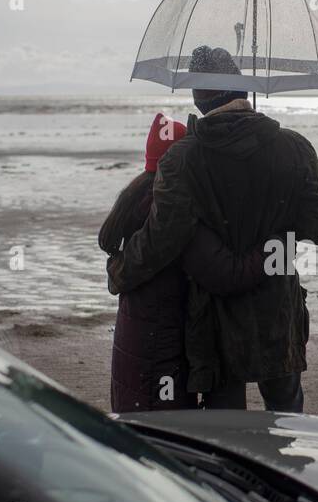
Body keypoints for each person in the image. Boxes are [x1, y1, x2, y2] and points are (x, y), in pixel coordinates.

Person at [106, 46, 318, 412]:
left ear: (198, 98)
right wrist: (275, 240)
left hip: (215, 321)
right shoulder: (295, 148)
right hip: (278, 310)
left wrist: (120, 271)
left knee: (225, 432)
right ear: (243, 89)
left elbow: (161, 239)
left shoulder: (182, 159)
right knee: (290, 420)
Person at [98, 112, 268, 412]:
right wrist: (272, 249)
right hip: (160, 356)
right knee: (166, 442)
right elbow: (226, 274)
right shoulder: (172, 215)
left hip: (136, 346)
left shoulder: (136, 196)